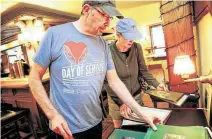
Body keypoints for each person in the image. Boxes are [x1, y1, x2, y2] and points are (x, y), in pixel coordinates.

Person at [29, 1, 158, 139]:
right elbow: (34, 77)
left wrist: (141, 113)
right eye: (104, 15)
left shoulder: (102, 43)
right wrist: (52, 115)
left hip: (95, 123)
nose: (107, 22)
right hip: (65, 128)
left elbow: (114, 81)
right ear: (86, 9)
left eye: (110, 18)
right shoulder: (55, 34)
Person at [104, 18, 167, 128]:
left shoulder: (137, 48)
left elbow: (144, 71)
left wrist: (157, 84)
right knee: (120, 130)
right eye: (128, 36)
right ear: (118, 35)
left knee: (138, 128)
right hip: (117, 99)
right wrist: (121, 102)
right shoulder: (108, 52)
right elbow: (107, 82)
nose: (131, 40)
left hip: (136, 97)